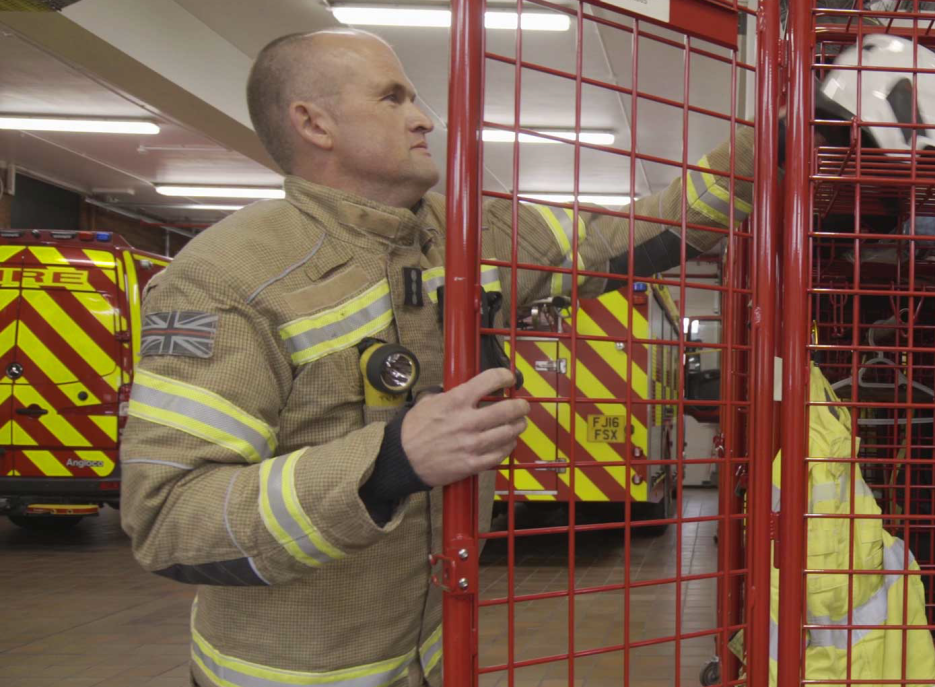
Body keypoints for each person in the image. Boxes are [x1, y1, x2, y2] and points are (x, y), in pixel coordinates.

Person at [119, 28, 754, 687]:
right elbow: (169, 516)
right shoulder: (226, 278)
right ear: (314, 122)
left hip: (435, 655)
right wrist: (390, 462)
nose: (424, 117)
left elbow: (622, 234)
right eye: (393, 98)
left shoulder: (465, 237)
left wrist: (774, 143)